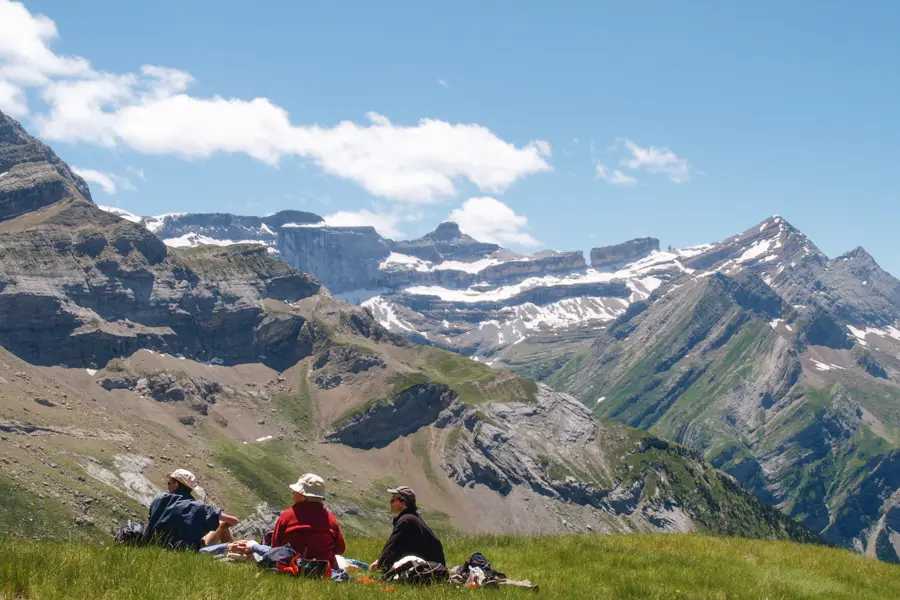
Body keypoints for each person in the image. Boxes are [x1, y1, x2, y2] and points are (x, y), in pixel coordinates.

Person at [144, 468, 239, 551]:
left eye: (169, 483)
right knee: (222, 524)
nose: (167, 486)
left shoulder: (158, 500)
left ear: (176, 485)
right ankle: (236, 553)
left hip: (155, 545)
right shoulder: (199, 507)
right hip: (186, 550)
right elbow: (234, 521)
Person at [270, 473, 346, 571]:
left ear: (304, 496)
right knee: (341, 560)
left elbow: (275, 547)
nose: (293, 494)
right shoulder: (331, 518)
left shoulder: (286, 516)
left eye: (296, 492)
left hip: (292, 567)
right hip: (324, 570)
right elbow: (340, 549)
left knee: (257, 548)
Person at [370, 486, 445, 571]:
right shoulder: (412, 518)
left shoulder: (406, 521)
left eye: (393, 499)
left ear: (403, 503)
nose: (390, 502)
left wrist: (380, 564)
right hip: (435, 567)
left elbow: (392, 547)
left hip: (426, 570)